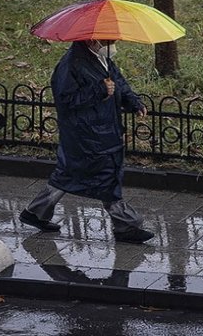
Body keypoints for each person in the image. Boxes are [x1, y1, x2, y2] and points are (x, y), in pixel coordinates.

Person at [19, 39, 154, 243]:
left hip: (101, 129)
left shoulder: (100, 58)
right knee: (106, 177)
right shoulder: (70, 64)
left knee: (69, 175)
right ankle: (126, 225)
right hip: (85, 134)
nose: (113, 43)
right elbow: (66, 99)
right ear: (92, 40)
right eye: (108, 40)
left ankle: (35, 212)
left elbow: (117, 81)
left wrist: (133, 101)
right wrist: (100, 90)